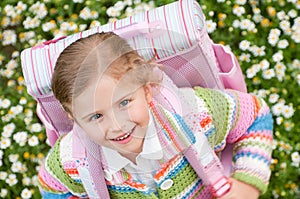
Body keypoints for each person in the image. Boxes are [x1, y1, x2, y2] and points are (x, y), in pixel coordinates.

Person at [37, 32, 273, 199]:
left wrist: (245, 183)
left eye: (125, 103)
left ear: (147, 90)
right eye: (96, 116)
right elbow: (52, 186)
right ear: (73, 117)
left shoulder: (196, 113)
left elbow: (254, 116)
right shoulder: (72, 159)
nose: (117, 126)